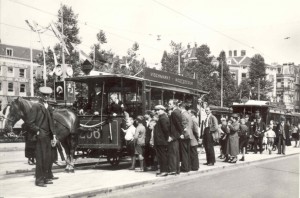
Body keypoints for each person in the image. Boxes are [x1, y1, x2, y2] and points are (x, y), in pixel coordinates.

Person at [27, 87, 58, 187]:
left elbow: (51, 122)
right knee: (40, 159)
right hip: (40, 136)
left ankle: (45, 178)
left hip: (48, 136)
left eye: (47, 95)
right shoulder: (36, 106)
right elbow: (30, 123)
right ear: (40, 95)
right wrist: (37, 131)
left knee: (47, 158)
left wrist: (54, 135)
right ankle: (39, 180)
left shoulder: (48, 106)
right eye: (44, 95)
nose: (46, 97)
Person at [153, 105, 170, 177]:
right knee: (162, 156)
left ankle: (164, 171)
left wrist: (167, 138)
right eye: (156, 110)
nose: (157, 111)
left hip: (161, 140)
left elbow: (166, 130)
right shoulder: (162, 117)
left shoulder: (163, 118)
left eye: (158, 110)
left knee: (162, 156)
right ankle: (163, 170)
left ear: (163, 110)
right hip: (161, 140)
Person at [167, 99, 182, 175]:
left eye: (170, 104)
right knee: (176, 153)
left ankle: (173, 170)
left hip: (173, 136)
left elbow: (176, 126)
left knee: (173, 153)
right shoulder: (178, 112)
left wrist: (172, 136)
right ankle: (176, 170)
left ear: (174, 105)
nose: (168, 105)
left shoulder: (174, 113)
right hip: (176, 136)